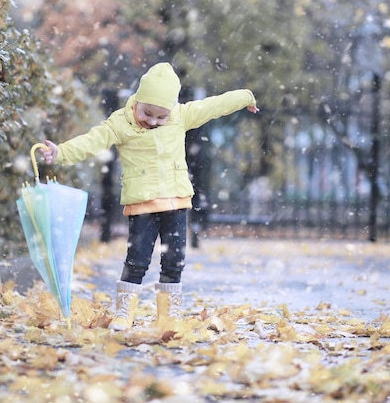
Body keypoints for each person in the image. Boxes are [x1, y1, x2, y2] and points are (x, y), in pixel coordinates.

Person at [40, 62, 259, 330]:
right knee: (137, 259)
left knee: (175, 260)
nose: (153, 121)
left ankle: (167, 316)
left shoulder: (181, 115)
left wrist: (245, 97)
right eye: (148, 113)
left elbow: (213, 106)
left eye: (160, 117)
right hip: (142, 205)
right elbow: (92, 140)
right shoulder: (120, 123)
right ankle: (124, 312)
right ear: (138, 101)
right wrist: (60, 152)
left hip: (176, 203)